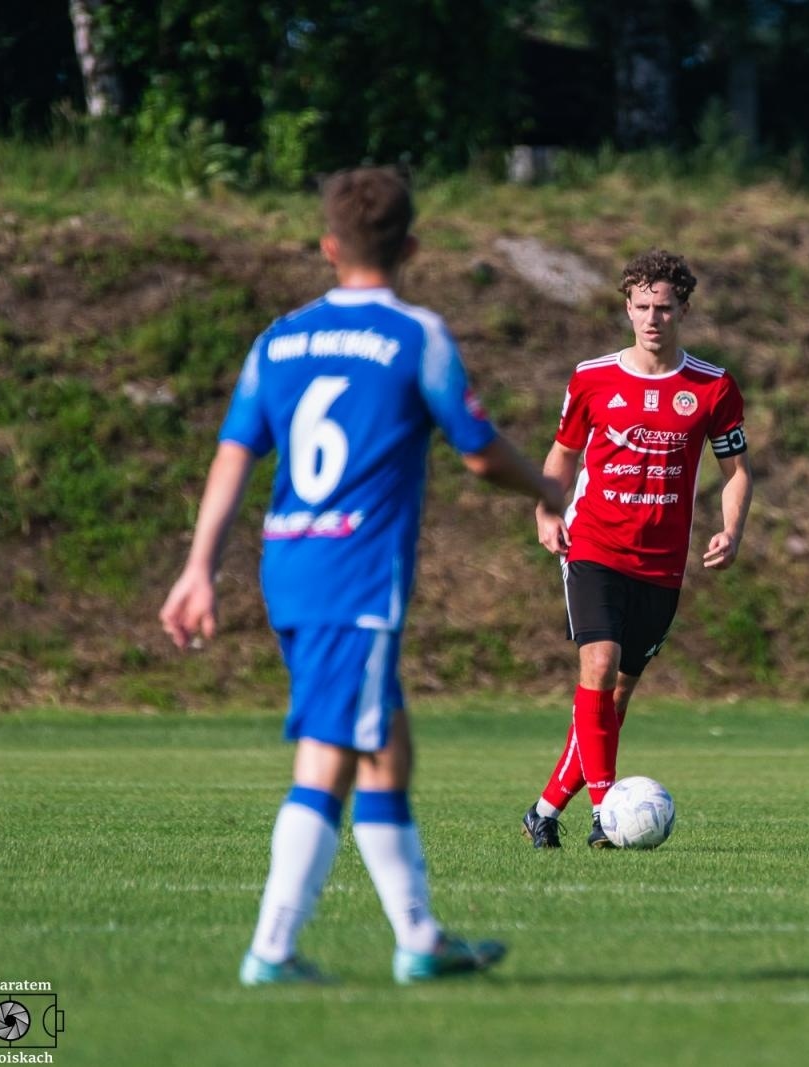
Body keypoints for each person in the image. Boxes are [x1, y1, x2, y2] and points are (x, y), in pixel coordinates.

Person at [159, 166, 563, 986]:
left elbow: (235, 451)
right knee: (330, 754)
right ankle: (272, 947)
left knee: (387, 748)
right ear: (412, 244)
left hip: (291, 565)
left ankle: (420, 936)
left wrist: (199, 566)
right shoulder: (416, 335)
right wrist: (551, 486)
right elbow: (480, 452)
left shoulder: (278, 338)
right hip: (357, 578)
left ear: (327, 246)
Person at [520, 249, 753, 849]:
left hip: (662, 564)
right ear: (627, 307)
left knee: (616, 696)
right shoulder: (592, 377)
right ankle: (607, 814)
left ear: (683, 311)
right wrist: (548, 508)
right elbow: (562, 454)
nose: (652, 319)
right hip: (595, 543)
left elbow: (736, 472)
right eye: (642, 307)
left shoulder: (712, 386)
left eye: (665, 308)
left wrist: (731, 529)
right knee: (596, 666)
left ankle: (544, 810)